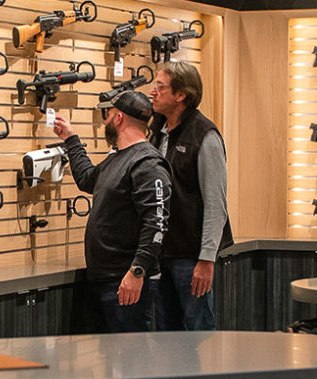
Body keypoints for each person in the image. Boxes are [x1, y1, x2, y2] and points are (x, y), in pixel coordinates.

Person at [52, 90, 171, 333]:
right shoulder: (118, 158)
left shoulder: (147, 163)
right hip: (107, 279)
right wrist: (71, 138)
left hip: (127, 281)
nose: (105, 121)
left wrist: (137, 271)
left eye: (107, 115)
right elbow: (87, 179)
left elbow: (156, 224)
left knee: (132, 358)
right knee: (115, 359)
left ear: (119, 118)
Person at [148, 62, 233, 331]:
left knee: (199, 333)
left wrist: (206, 259)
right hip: (161, 253)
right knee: (165, 336)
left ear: (181, 94)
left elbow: (215, 204)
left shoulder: (204, 135)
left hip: (191, 256)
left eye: (160, 87)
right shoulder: (157, 131)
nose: (153, 92)